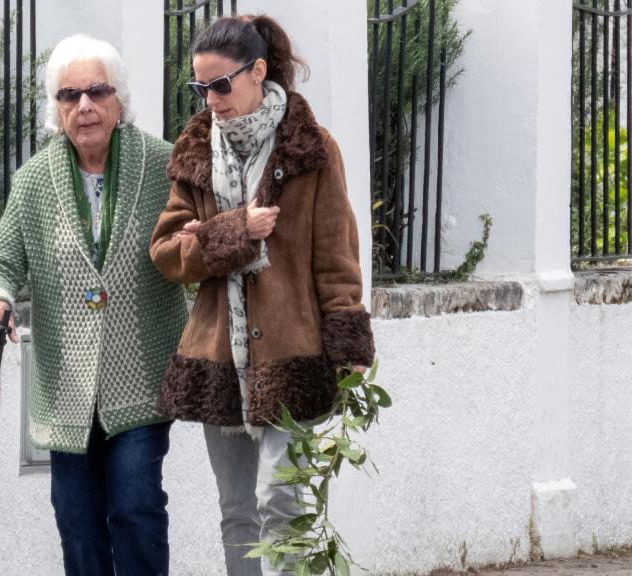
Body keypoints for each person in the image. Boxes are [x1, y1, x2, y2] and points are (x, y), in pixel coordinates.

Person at [149, 15, 376, 576]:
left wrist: (348, 349)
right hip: (218, 359)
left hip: (292, 354)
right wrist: (235, 232)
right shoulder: (195, 149)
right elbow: (167, 251)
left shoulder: (311, 148)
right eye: (200, 89)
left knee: (283, 501)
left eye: (220, 85)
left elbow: (337, 256)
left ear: (258, 71)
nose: (211, 101)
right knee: (237, 510)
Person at [0, 33, 186, 576]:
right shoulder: (34, 182)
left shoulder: (163, 166)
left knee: (135, 506)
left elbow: (193, 250)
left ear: (118, 100)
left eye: (96, 91)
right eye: (69, 95)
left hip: (141, 377)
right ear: (56, 107)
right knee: (75, 516)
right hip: (65, 391)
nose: (84, 105)